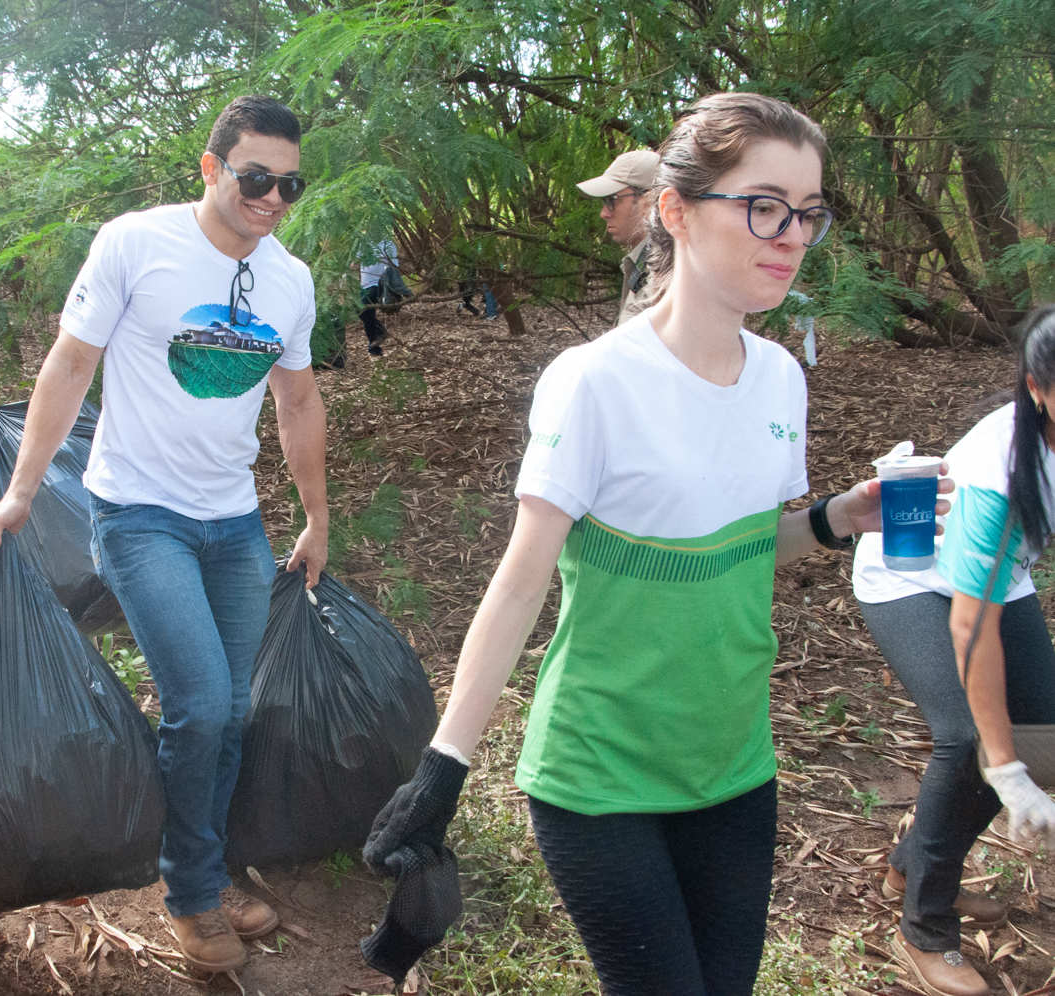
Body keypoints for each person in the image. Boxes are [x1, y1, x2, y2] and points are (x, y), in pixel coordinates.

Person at [361, 92, 952, 994]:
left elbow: (736, 551)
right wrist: (444, 769)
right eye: (763, 205)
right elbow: (520, 585)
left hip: (734, 763)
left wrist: (837, 519)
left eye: (807, 213)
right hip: (602, 774)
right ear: (675, 211)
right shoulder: (594, 383)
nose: (790, 234)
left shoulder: (781, 381)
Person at [0, 95, 328, 976]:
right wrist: (22, 489)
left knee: (234, 710)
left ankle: (209, 869)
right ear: (211, 169)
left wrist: (317, 513)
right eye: (256, 178)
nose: (273, 198)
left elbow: (297, 399)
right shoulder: (135, 242)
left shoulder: (288, 279)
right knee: (203, 704)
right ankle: (188, 893)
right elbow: (69, 362)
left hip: (234, 518)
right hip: (138, 512)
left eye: (290, 183)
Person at [853, 305, 1055, 996]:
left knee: (1044, 729)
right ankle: (925, 929)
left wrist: (1025, 758)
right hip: (910, 579)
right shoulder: (999, 473)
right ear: (1037, 387)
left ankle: (912, 865)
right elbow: (973, 628)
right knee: (968, 734)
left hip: (1001, 578)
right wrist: (1006, 769)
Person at [577, 148, 661, 329]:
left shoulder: (662, 272)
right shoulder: (645, 260)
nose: (604, 213)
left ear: (649, 201)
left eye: (612, 200)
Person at [358, 239, 398, 357]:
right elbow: (354, 265)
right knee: (367, 314)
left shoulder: (389, 244)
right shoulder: (363, 243)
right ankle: (375, 347)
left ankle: (378, 339)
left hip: (379, 285)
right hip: (364, 285)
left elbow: (394, 266)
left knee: (363, 312)